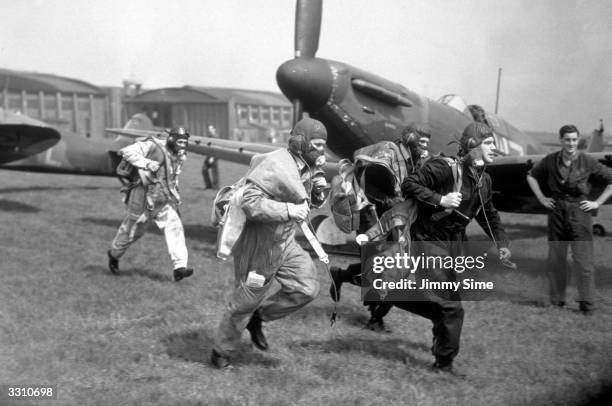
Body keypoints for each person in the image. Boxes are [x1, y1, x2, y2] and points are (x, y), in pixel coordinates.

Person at [211, 117, 328, 369]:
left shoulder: (305, 165)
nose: (321, 151)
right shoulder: (276, 163)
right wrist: (287, 210)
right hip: (259, 245)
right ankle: (221, 351)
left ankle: (259, 319)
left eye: (323, 145)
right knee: (247, 300)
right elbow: (250, 202)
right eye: (316, 145)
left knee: (306, 288)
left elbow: (301, 202)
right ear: (300, 143)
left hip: (284, 240)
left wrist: (317, 193)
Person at [398, 121, 511, 373]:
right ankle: (444, 364)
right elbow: (409, 185)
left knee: (442, 303)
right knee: (451, 306)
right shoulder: (444, 167)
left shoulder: (484, 179)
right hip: (429, 241)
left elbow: (488, 214)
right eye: (489, 143)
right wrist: (441, 199)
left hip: (453, 245)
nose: (495, 148)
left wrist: (502, 244)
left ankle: (393, 295)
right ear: (472, 145)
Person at [328, 123, 431, 332]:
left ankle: (343, 277)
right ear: (410, 138)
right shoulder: (388, 152)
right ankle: (375, 318)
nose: (424, 147)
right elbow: (368, 183)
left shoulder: (414, 158)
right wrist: (392, 200)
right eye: (421, 142)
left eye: (426, 144)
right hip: (370, 212)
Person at [526, 124, 612, 314]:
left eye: (574, 140)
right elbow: (531, 176)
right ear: (561, 140)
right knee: (556, 258)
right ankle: (557, 301)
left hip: (579, 211)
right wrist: (542, 199)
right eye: (567, 140)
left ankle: (587, 305)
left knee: (583, 260)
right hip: (556, 211)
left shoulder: (587, 161)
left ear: (578, 140)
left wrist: (597, 203)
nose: (571, 143)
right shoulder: (550, 160)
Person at [107, 127, 194, 282]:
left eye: (184, 142)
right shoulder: (153, 146)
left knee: (175, 227)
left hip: (162, 199)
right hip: (142, 197)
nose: (183, 145)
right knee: (133, 232)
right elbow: (126, 151)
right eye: (180, 142)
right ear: (172, 139)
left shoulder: (178, 155)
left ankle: (180, 267)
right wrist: (147, 163)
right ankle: (114, 254)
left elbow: (172, 177)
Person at [202, 125, 220, 189]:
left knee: (214, 172)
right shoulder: (208, 137)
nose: (209, 130)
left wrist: (213, 157)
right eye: (208, 129)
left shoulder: (215, 137)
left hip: (214, 156)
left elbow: (217, 148)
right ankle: (208, 186)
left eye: (211, 129)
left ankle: (216, 186)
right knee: (204, 170)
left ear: (214, 129)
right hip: (208, 156)